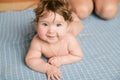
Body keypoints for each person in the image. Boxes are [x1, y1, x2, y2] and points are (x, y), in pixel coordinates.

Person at [25, 0, 83, 80]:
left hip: (72, 29)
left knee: (77, 24)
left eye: (58, 25)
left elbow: (78, 55)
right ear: (36, 25)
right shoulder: (37, 41)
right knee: (56, 19)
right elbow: (31, 59)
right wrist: (48, 68)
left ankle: (73, 16)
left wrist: (61, 60)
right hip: (61, 27)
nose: (51, 31)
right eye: (45, 24)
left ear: (67, 27)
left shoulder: (70, 39)